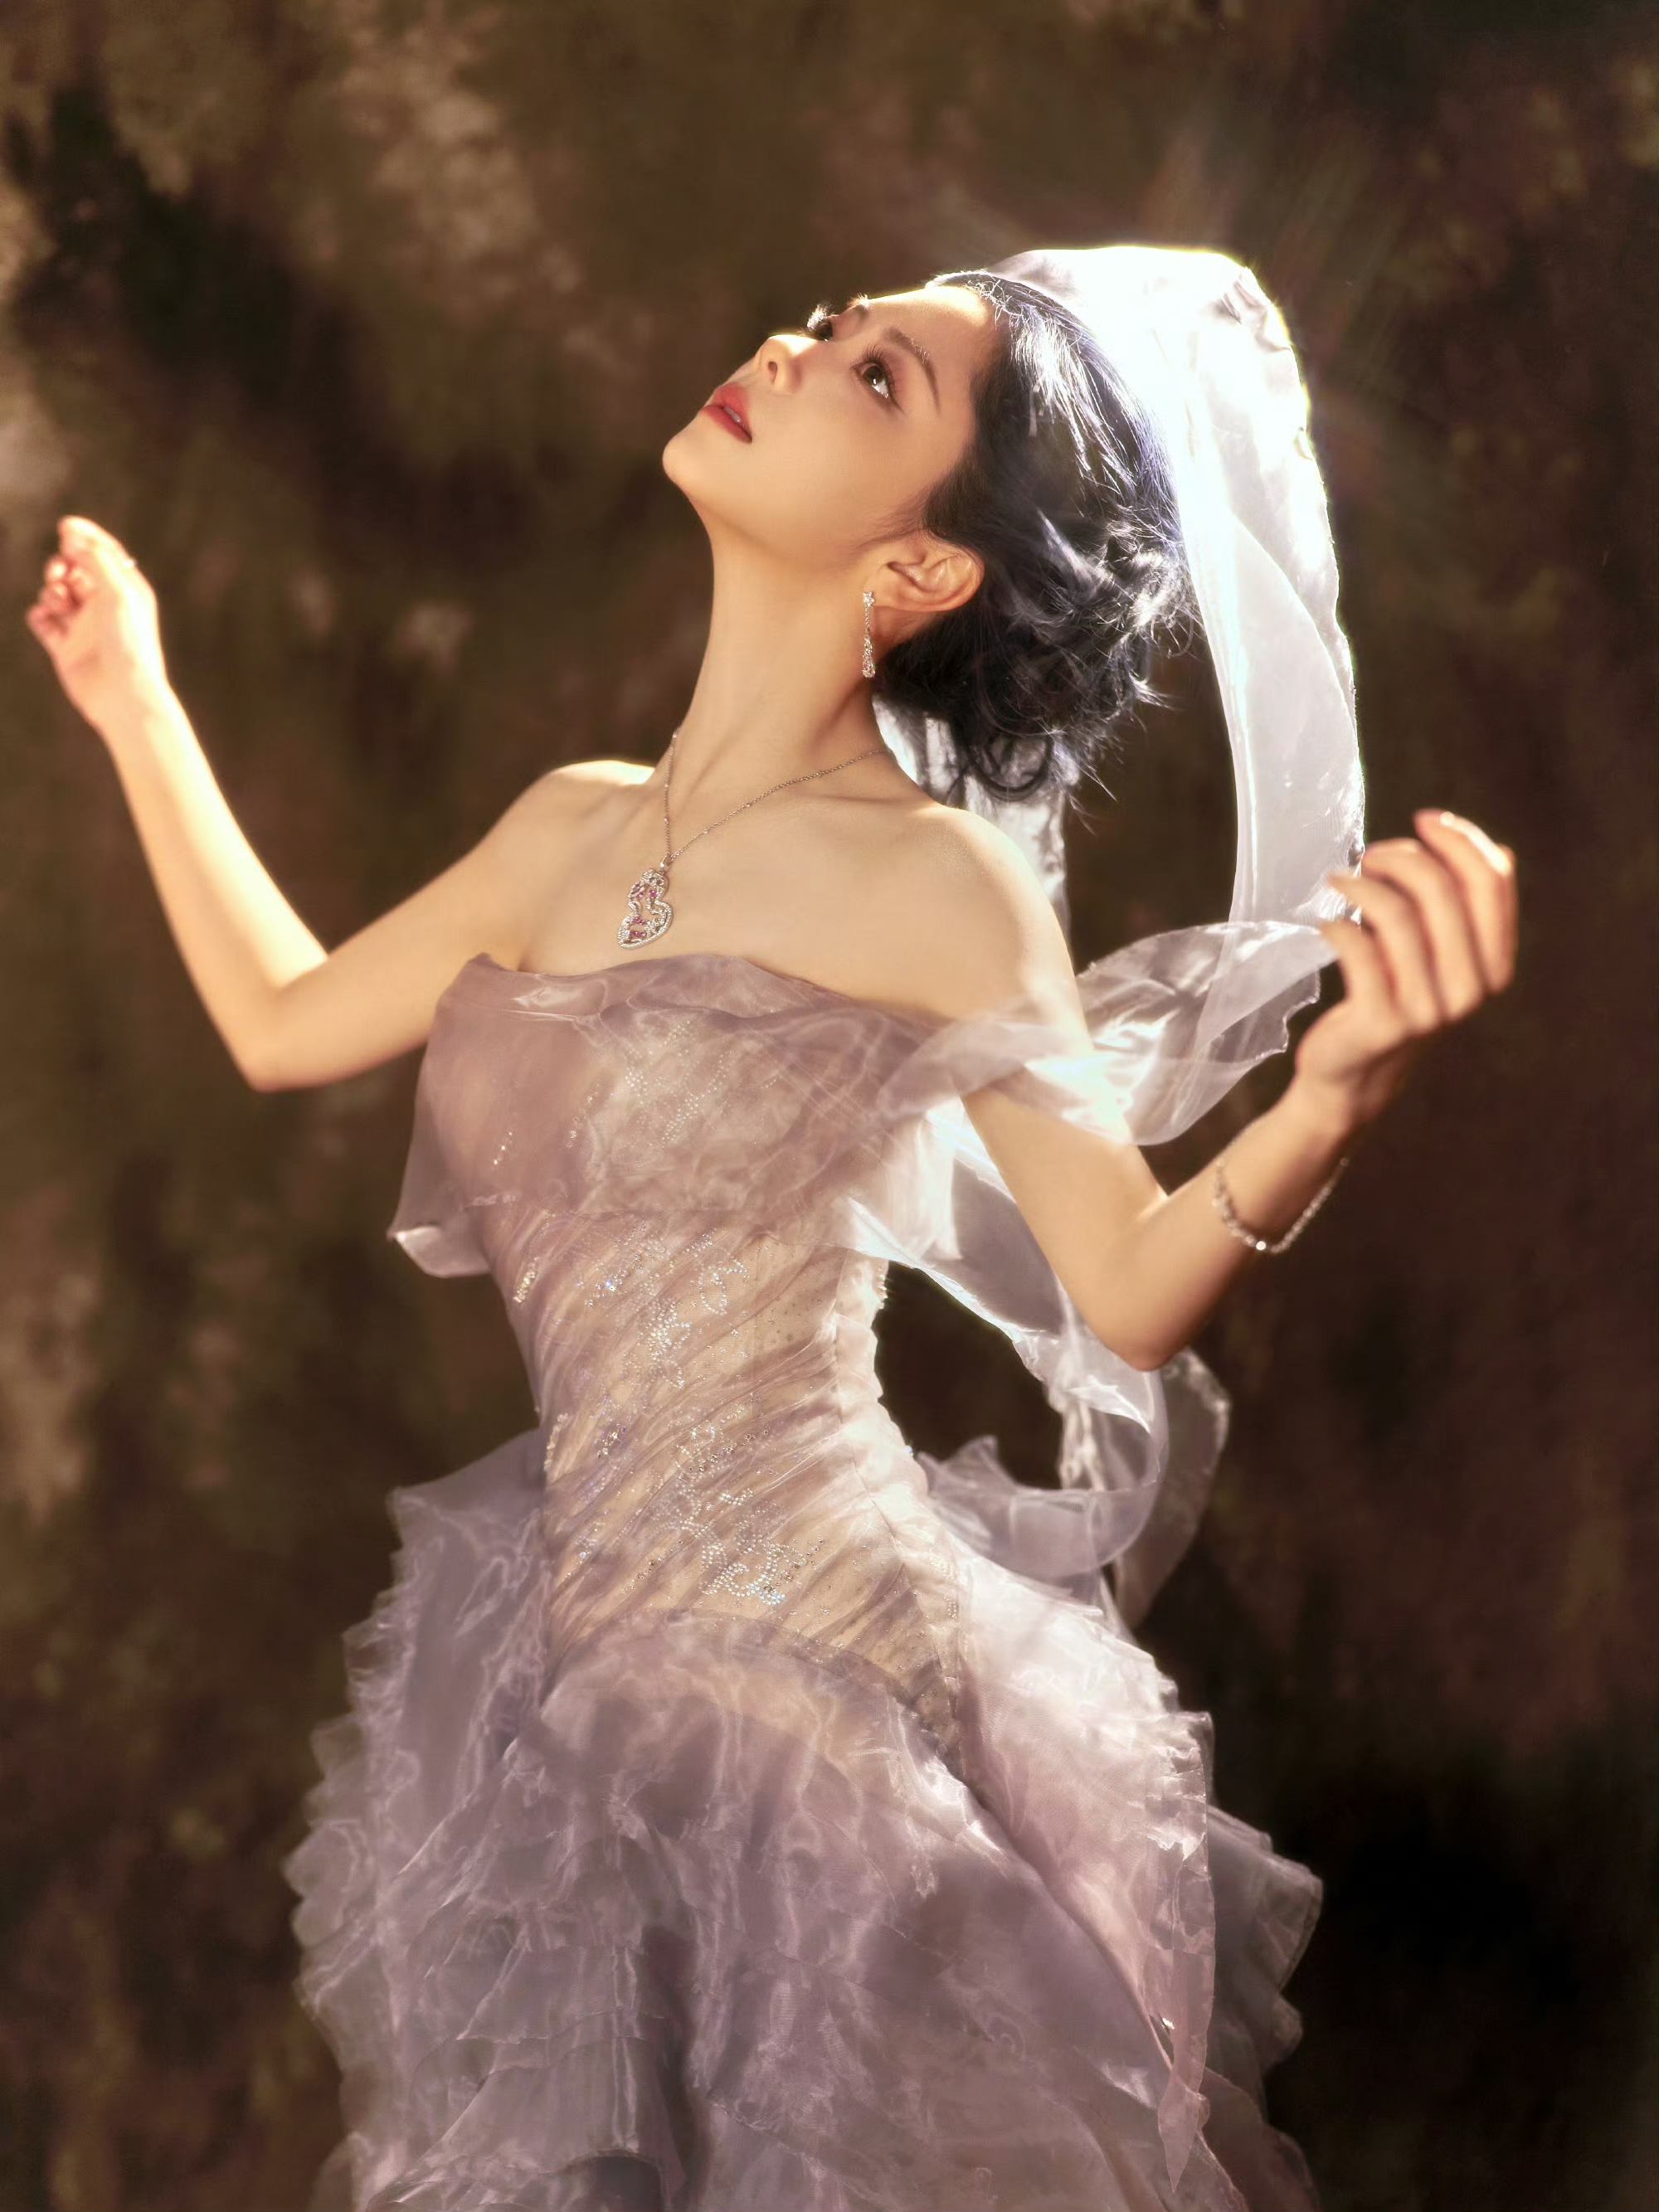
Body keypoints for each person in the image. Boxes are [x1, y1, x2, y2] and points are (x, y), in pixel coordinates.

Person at [27, 257, 1516, 2212]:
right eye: (831, 325)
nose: (796, 352)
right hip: (579, 1681)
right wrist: (137, 703)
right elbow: (283, 1019)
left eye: (877, 379)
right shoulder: (571, 826)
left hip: (819, 1694)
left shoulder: (939, 884)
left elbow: (1129, 1285)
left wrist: (1331, 1101)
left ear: (922, 567)